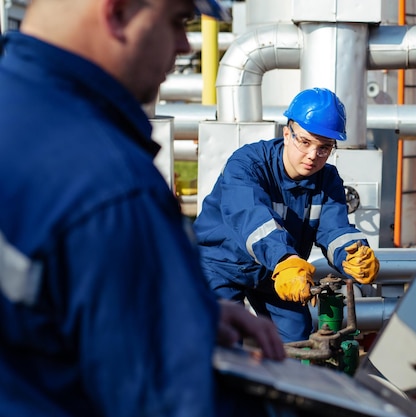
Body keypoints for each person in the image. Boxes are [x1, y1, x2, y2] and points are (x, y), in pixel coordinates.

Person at [0, 0, 285, 416]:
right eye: (176, 21)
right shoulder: (109, 187)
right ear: (116, 13)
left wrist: (182, 308)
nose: (185, 45)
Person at [193, 87, 381, 343]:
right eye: (305, 142)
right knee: (221, 338)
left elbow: (334, 229)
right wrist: (285, 259)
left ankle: (279, 383)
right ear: (287, 133)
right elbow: (251, 218)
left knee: (296, 337)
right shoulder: (247, 164)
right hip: (221, 264)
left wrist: (353, 252)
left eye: (324, 147)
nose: (313, 155)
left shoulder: (327, 179)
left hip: (275, 273)